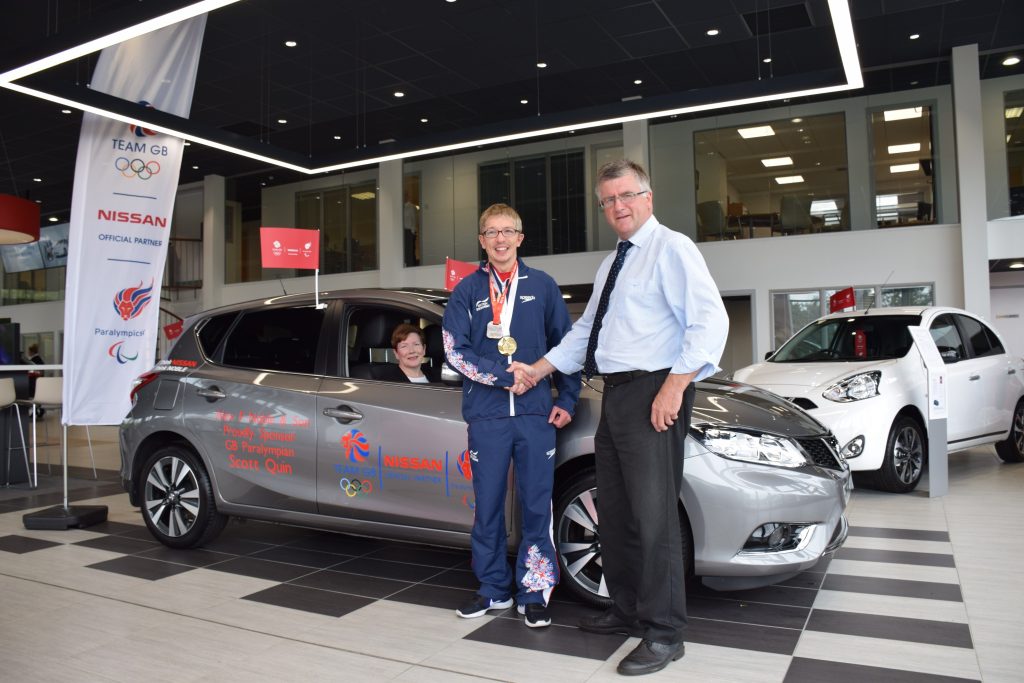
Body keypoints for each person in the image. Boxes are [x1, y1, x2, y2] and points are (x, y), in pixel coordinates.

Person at [509, 159, 728, 675]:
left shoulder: (672, 248)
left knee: (654, 520)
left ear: (648, 197)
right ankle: (628, 609)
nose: (618, 207)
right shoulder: (614, 264)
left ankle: (665, 632)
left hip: (655, 389)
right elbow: (587, 333)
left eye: (626, 195)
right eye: (608, 200)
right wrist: (538, 370)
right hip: (618, 394)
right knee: (620, 515)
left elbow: (709, 321)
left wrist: (674, 388)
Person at [442, 202, 580, 628]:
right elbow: (452, 348)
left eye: (508, 231)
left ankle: (534, 592)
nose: (500, 239)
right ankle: (493, 589)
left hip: (537, 414)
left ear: (520, 238)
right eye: (491, 232)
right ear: (482, 240)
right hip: (488, 415)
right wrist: (504, 377)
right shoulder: (466, 290)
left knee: (537, 506)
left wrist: (568, 399)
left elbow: (566, 346)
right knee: (488, 508)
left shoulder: (543, 285)